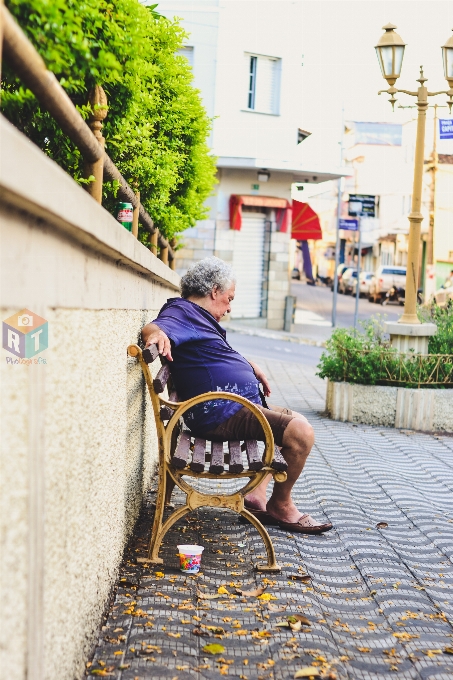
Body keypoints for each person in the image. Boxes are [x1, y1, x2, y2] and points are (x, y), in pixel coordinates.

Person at [141, 257, 332, 534]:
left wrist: (246, 364)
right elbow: (156, 326)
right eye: (229, 299)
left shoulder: (197, 316)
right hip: (219, 412)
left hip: (229, 405)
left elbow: (212, 354)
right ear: (214, 291)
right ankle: (281, 505)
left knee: (297, 419)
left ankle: (256, 496)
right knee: (301, 434)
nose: (229, 308)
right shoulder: (183, 313)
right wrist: (155, 336)